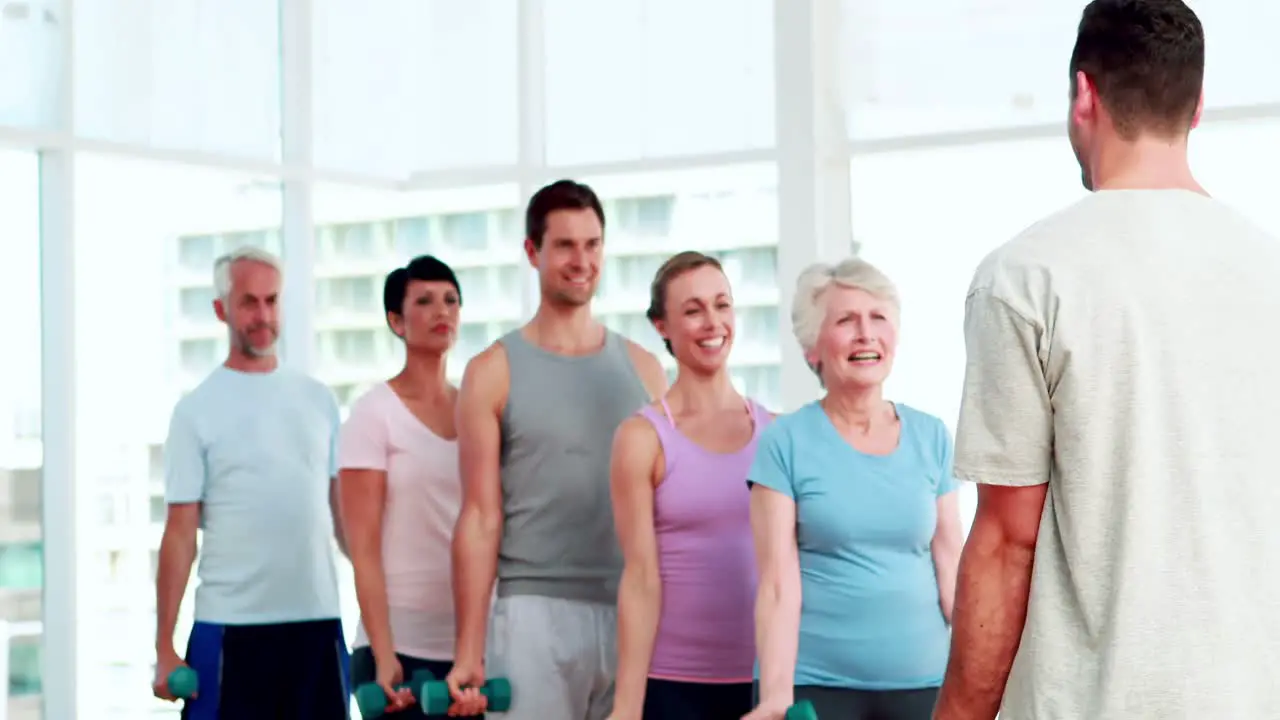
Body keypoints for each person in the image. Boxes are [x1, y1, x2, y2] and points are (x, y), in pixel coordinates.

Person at [933, 2, 1280, 718]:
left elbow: (1005, 543)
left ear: (1084, 95)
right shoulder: (1268, 269)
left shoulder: (1026, 276)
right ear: (1197, 107)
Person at [446, 179, 669, 719]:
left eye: (592, 244)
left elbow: (668, 511)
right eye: (565, 245)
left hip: (630, 610)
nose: (581, 260)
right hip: (533, 615)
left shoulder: (644, 370)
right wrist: (469, 648)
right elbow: (479, 517)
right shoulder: (492, 371)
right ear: (533, 252)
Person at [744, 258, 964, 720]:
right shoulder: (785, 442)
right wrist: (776, 697)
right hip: (818, 687)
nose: (866, 333)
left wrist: (979, 679)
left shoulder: (932, 436)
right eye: (846, 320)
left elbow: (952, 571)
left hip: (925, 685)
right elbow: (779, 585)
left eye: (878, 317)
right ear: (812, 348)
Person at [152, 247, 349, 720]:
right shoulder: (195, 411)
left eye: (272, 301)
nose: (263, 315)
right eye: (249, 302)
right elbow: (180, 535)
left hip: (317, 624)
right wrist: (164, 646)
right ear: (222, 309)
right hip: (231, 628)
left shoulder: (319, 401)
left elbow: (346, 524)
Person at [608, 251, 769, 720]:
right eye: (693, 310)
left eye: (722, 305)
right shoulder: (642, 437)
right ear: (662, 325)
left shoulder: (777, 433)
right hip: (673, 684)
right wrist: (626, 706)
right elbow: (639, 579)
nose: (712, 322)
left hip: (764, 680)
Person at [339, 255, 478, 718]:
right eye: (425, 301)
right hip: (397, 651)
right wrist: (383, 654)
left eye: (451, 300)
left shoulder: (478, 413)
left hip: (468, 651)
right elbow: (363, 548)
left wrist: (479, 648)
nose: (442, 312)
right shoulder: (373, 414)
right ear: (396, 321)